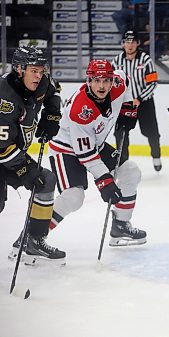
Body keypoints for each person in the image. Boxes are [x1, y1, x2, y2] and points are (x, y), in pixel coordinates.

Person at [46, 59, 147, 249]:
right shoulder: (80, 110)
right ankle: (32, 236)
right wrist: (104, 180)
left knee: (130, 171)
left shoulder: (118, 83)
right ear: (89, 80)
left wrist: (127, 108)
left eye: (106, 80)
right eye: (96, 80)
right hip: (66, 149)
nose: (102, 86)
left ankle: (121, 225)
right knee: (73, 197)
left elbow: (125, 77)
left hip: (95, 144)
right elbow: (85, 154)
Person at [1, 46, 65, 264]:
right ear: (19, 69)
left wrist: (52, 115)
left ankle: (33, 240)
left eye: (41, 70)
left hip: (13, 152)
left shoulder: (41, 81)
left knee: (46, 180)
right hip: (4, 153)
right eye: (34, 71)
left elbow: (53, 91)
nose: (40, 75)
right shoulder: (5, 99)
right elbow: (2, 148)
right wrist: (25, 170)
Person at [112, 30, 162, 172]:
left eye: (133, 42)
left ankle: (156, 156)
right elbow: (113, 83)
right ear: (123, 44)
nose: (130, 45)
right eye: (127, 42)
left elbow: (152, 83)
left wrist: (139, 98)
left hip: (144, 102)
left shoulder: (145, 60)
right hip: (125, 105)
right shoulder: (117, 61)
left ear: (138, 43)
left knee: (152, 132)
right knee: (121, 133)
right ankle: (122, 162)